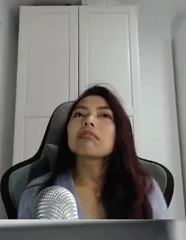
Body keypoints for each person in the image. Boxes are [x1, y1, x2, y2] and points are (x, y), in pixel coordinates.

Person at [17, 85, 168, 220]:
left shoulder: (145, 191)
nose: (88, 120)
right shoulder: (37, 192)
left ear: (119, 133)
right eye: (79, 114)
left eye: (104, 115)